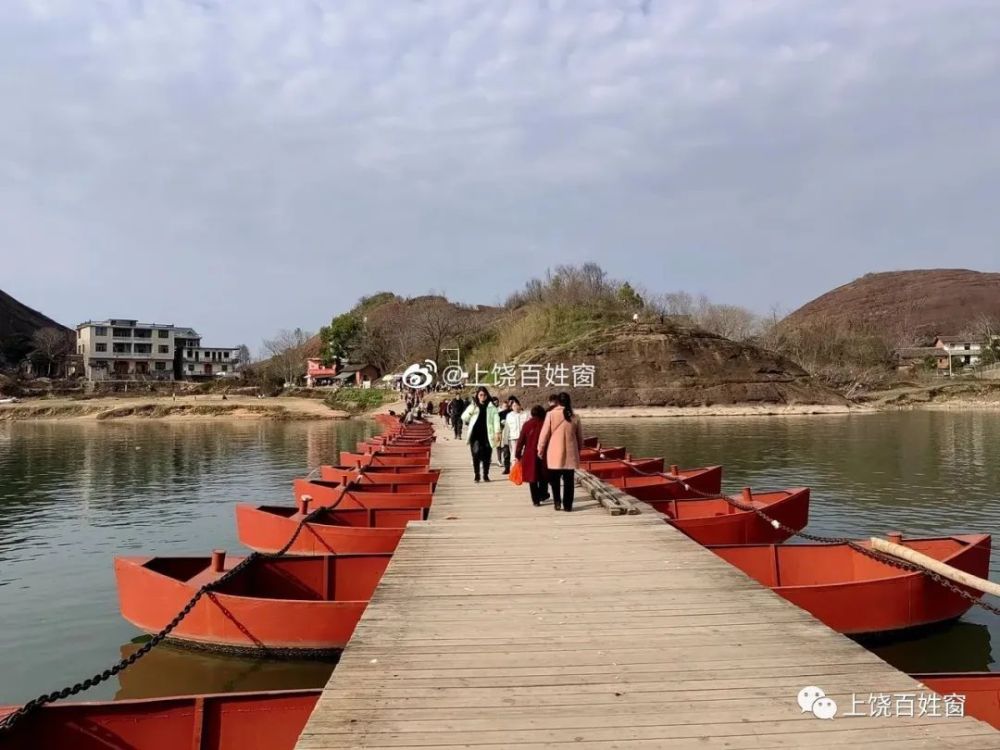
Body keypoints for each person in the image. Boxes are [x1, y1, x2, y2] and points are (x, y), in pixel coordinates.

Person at [537, 392, 583, 511]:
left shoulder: (550, 415)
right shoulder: (574, 416)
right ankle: (568, 506)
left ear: (557, 402)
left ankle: (557, 502)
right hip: (570, 454)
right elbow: (580, 438)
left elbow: (544, 435)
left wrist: (540, 450)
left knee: (555, 480)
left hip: (554, 454)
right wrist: (579, 450)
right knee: (569, 482)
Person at [461, 386, 501, 482]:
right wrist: (472, 409)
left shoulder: (492, 407)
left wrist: (497, 432)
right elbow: (464, 417)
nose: (482, 397)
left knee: (487, 456)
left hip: (488, 434)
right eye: (480, 395)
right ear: (478, 396)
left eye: (484, 395)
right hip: (475, 435)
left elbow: (496, 421)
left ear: (487, 396)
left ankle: (486, 475)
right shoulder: (473, 406)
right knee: (475, 454)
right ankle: (477, 474)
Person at [515, 405, 549, 506]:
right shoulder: (545, 424)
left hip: (529, 455)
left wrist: (518, 454)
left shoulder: (527, 424)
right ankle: (543, 494)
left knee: (532, 478)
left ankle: (535, 500)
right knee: (544, 476)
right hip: (544, 454)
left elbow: (520, 441)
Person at [502, 396, 526, 478]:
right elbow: (507, 428)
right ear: (511, 407)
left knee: (523, 454)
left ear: (520, 405)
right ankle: (514, 472)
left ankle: (522, 472)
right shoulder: (509, 415)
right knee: (513, 455)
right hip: (512, 438)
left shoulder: (525, 415)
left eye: (516, 405)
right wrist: (505, 441)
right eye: (513, 406)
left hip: (523, 438)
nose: (515, 407)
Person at [497, 396, 513, 473]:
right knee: (502, 450)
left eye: (507, 406)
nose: (506, 407)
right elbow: (496, 424)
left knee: (511, 452)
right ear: (501, 406)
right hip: (502, 434)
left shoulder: (512, 413)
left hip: (511, 434)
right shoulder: (499, 414)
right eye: (504, 406)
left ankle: (512, 467)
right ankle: (506, 467)